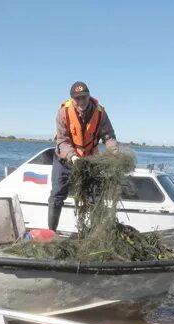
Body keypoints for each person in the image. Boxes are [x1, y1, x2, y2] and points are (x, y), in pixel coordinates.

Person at [48, 81, 119, 231]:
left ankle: (94, 233)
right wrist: (73, 157)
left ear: (89, 96)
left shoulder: (100, 113)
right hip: (65, 159)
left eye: (84, 98)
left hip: (89, 160)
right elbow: (62, 140)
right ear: (72, 99)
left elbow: (108, 136)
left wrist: (115, 151)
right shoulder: (63, 113)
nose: (81, 102)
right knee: (57, 196)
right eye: (77, 98)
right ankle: (52, 232)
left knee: (95, 197)